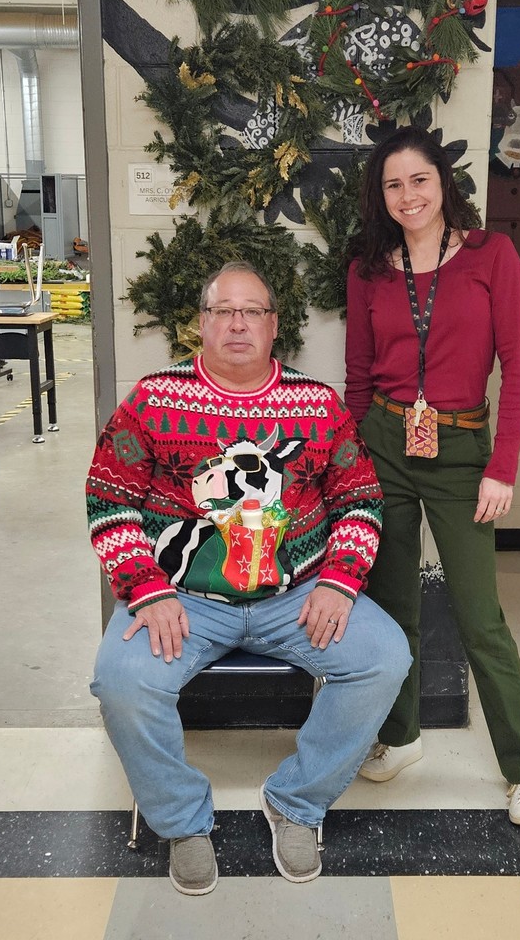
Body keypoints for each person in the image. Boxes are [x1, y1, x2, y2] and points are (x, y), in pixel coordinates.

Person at [87, 261, 410, 895]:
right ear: (201, 325)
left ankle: (296, 802)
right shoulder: (153, 399)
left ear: (273, 325)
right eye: (223, 311)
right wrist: (146, 589)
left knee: (383, 658)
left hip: (296, 595)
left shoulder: (316, 405)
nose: (238, 323)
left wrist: (339, 582)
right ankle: (181, 820)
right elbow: (108, 498)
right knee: (122, 682)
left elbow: (362, 499)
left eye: (253, 311)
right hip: (182, 597)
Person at [344, 126, 520, 827]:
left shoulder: (493, 257)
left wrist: (503, 467)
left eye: (419, 180)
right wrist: (355, 461)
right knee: (392, 604)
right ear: (382, 194)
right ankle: (399, 739)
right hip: (385, 447)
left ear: (443, 182)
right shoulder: (370, 266)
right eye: (393, 184)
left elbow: (517, 366)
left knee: (477, 616)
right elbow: (359, 377)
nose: (407, 196)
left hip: (462, 452)